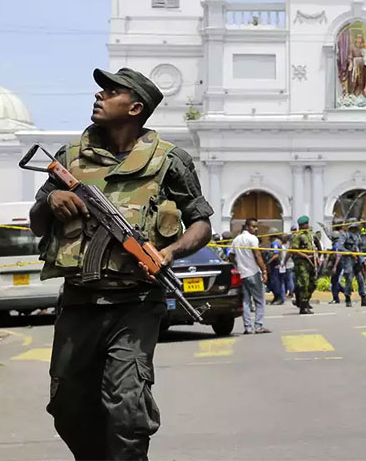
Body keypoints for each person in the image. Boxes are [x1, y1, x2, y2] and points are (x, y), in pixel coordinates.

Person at [28, 67, 213, 460]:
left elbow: (201, 222)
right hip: (79, 303)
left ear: (135, 107)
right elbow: (36, 221)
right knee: (68, 408)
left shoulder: (169, 161)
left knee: (126, 408)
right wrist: (50, 201)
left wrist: (170, 252)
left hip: (136, 303)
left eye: (111, 92)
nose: (99, 96)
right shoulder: (69, 158)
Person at [231, 218, 271, 334]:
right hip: (253, 273)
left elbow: (231, 255)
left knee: (246, 301)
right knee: (259, 300)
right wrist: (264, 270)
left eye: (256, 226)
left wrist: (238, 265)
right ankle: (258, 326)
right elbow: (257, 255)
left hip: (242, 274)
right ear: (247, 226)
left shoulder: (236, 240)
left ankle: (248, 327)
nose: (256, 228)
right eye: (254, 226)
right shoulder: (252, 239)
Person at [289, 216, 318, 314]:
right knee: (304, 283)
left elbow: (317, 247)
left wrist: (317, 257)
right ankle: (303, 306)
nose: (305, 225)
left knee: (313, 283)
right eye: (303, 224)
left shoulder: (311, 235)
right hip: (301, 263)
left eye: (306, 224)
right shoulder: (297, 236)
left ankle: (302, 300)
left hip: (311, 262)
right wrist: (304, 255)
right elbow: (294, 249)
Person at [337, 221, 366, 307]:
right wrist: (350, 253)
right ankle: (347, 298)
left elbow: (359, 249)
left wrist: (362, 260)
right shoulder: (345, 236)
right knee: (349, 279)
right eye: (355, 227)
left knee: (361, 279)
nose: (356, 229)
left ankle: (363, 298)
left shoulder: (357, 236)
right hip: (348, 260)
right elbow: (340, 247)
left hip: (357, 261)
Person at [268, 231, 286, 304]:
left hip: (275, 265)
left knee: (276, 282)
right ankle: (276, 297)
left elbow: (276, 255)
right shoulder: (277, 242)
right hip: (276, 265)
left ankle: (279, 298)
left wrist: (268, 262)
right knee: (276, 282)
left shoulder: (275, 243)